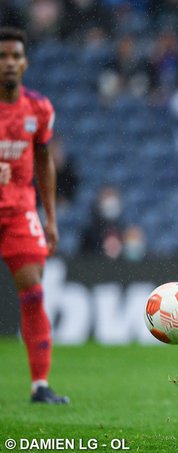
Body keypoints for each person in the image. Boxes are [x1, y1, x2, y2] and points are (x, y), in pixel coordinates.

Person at [0, 27, 67, 404]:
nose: (8, 63)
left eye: (14, 56)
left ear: (24, 63)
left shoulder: (38, 108)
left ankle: (39, 385)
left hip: (19, 211)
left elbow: (44, 160)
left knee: (33, 292)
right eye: (2, 56)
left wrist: (50, 217)